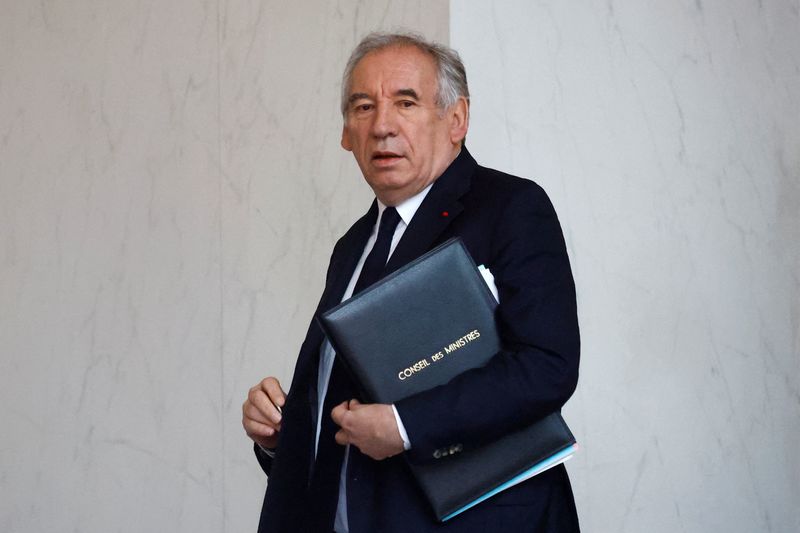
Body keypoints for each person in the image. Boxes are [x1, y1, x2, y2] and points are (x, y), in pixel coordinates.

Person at [242, 32, 580, 533]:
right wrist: (282, 432)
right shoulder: (353, 247)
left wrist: (407, 426)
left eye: (406, 102)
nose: (382, 126)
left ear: (456, 120)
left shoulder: (511, 208)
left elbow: (547, 366)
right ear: (344, 133)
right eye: (363, 107)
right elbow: (350, 404)